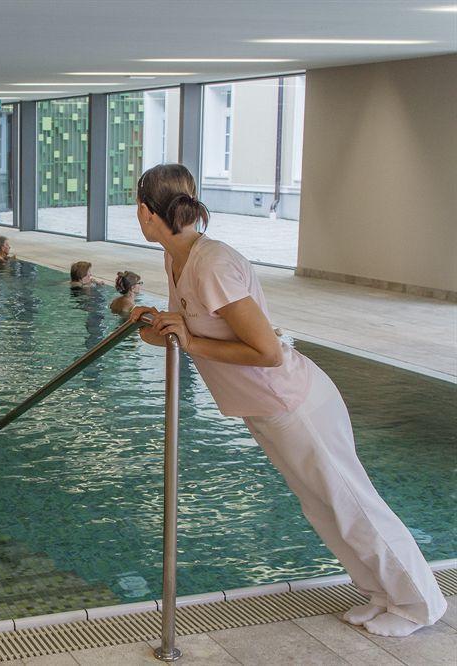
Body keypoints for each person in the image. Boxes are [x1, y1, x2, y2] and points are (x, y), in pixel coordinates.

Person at [126, 163, 445, 638]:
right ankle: (381, 593)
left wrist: (189, 342)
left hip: (296, 403)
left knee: (353, 505)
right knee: (322, 507)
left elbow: (267, 351)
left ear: (146, 213)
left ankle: (419, 604)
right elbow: (185, 331)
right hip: (267, 409)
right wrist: (157, 326)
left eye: (139, 208)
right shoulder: (179, 258)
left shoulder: (213, 262)